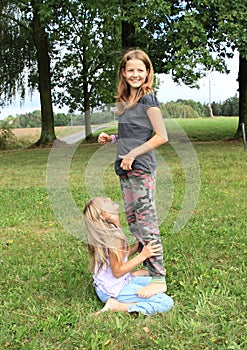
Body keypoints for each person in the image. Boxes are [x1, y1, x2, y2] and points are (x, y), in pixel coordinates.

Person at [98, 49, 169, 298]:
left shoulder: (148, 100)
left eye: (141, 70)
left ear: (148, 73)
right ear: (123, 73)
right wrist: (113, 138)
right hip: (125, 167)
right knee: (133, 221)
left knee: (147, 222)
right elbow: (134, 134)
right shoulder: (126, 102)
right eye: (131, 70)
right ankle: (148, 270)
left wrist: (132, 154)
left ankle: (159, 278)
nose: (135, 74)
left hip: (140, 168)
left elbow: (161, 136)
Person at [83, 197, 174, 315]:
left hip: (109, 284)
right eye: (105, 202)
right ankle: (117, 306)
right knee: (165, 302)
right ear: (103, 215)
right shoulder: (114, 237)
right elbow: (118, 271)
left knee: (156, 281)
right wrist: (143, 255)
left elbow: (116, 257)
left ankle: (131, 277)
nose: (109, 198)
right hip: (113, 290)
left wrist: (134, 249)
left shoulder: (110, 230)